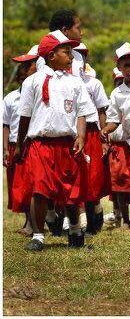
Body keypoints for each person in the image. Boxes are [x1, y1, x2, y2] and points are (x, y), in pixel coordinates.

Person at [16, 31, 95, 251]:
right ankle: (39, 235)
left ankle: (76, 230)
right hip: (40, 144)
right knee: (40, 189)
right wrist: (21, 143)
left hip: (67, 145)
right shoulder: (32, 82)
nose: (71, 57)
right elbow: (25, 115)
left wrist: (80, 136)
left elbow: (82, 113)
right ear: (51, 55)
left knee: (71, 191)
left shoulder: (75, 82)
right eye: (66, 52)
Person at [101, 43, 130, 230]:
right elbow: (113, 120)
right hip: (127, 144)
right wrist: (106, 130)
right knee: (127, 181)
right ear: (119, 67)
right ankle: (128, 219)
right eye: (126, 66)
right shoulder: (117, 93)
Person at [74, 45, 111, 235]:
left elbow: (101, 110)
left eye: (80, 57)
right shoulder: (64, 82)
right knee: (77, 177)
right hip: (72, 134)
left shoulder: (93, 84)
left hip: (91, 132)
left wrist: (103, 137)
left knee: (92, 176)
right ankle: (79, 221)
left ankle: (94, 214)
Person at [4, 45, 39, 235]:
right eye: (23, 69)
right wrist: (6, 148)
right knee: (23, 186)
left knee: (37, 183)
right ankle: (30, 222)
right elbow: (6, 124)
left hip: (34, 143)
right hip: (17, 145)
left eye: (29, 65)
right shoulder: (11, 98)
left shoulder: (41, 93)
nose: (26, 71)